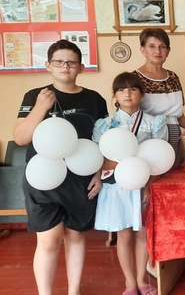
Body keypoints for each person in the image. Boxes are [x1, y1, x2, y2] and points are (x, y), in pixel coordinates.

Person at [13, 39, 108, 294]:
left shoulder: (94, 99)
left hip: (81, 180)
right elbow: (21, 137)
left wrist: (99, 175)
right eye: (58, 61)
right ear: (48, 65)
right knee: (48, 240)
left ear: (81, 67)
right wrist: (41, 107)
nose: (65, 66)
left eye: (71, 62)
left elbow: (102, 141)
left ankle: (73, 290)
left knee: (76, 236)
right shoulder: (35, 96)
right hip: (42, 178)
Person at [93, 72, 167, 295]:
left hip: (144, 186)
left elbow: (159, 158)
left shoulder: (153, 122)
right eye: (121, 89)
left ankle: (143, 281)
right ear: (114, 95)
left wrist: (149, 183)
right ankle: (130, 284)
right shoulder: (105, 124)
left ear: (142, 94)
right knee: (123, 234)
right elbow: (99, 158)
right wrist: (98, 176)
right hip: (116, 186)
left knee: (143, 234)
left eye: (133, 89)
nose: (127, 93)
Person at [133, 27, 185, 277]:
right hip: (150, 145)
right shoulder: (134, 78)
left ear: (168, 50)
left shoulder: (173, 76)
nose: (158, 51)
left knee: (173, 198)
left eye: (163, 46)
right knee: (152, 200)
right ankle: (149, 258)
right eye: (152, 46)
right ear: (142, 49)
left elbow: (177, 113)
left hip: (175, 143)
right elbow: (131, 114)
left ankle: (170, 253)